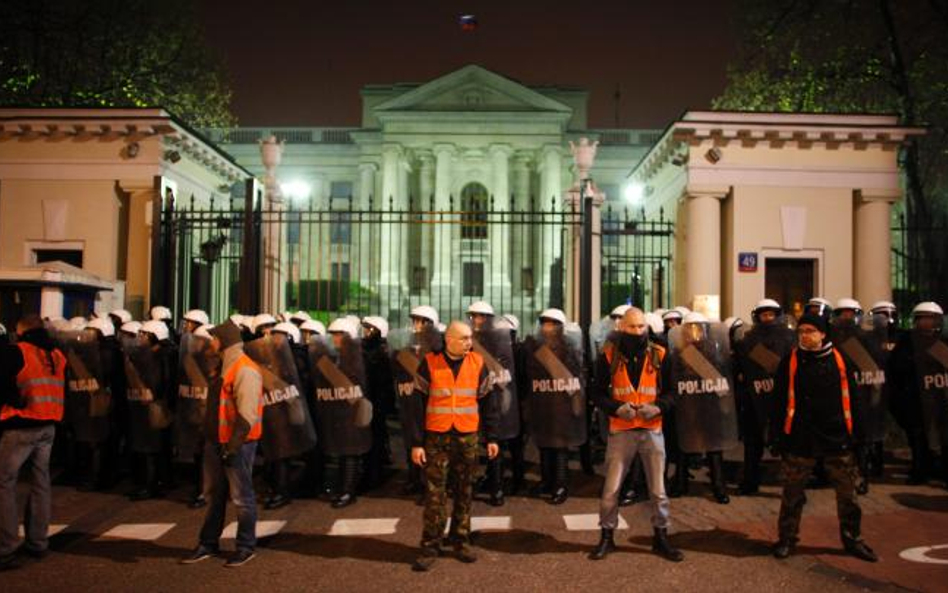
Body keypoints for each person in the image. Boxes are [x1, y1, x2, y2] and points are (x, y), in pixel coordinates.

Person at [771, 313, 877, 562]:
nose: (804, 335)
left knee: (847, 495)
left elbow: (854, 399)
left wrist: (860, 436)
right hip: (801, 438)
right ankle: (787, 539)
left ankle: (852, 539)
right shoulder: (790, 361)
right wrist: (778, 436)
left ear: (823, 334)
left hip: (836, 437)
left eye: (810, 331)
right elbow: (778, 401)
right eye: (801, 331)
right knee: (792, 494)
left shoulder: (841, 361)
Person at [589, 307, 683, 562]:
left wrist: (658, 407)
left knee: (658, 491)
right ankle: (607, 537)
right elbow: (595, 393)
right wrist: (616, 408)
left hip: (652, 430)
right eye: (632, 327)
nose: (638, 331)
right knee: (611, 490)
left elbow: (674, 393)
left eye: (642, 326)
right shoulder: (608, 356)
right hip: (621, 431)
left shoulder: (661, 354)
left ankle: (661, 538)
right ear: (621, 327)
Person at [410, 321, 500, 572]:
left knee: (464, 490)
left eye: (470, 338)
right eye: (463, 338)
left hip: (467, 436)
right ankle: (430, 544)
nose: (469, 342)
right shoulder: (428, 363)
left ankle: (461, 539)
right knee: (434, 494)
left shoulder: (478, 363)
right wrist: (417, 443)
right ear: (449, 339)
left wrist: (492, 438)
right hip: (437, 437)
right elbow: (416, 406)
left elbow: (488, 403)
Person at [181, 320, 263, 568]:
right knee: (214, 496)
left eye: (214, 339)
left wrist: (233, 445)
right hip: (217, 441)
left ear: (225, 342)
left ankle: (245, 546)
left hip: (237, 443)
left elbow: (247, 414)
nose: (211, 342)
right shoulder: (222, 367)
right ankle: (208, 543)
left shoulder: (244, 369)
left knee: (242, 498)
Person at [0, 315, 66, 570]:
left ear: (22, 331)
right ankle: (38, 542)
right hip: (48, 425)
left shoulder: (17, 351)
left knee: (5, 483)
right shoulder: (57, 354)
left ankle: (6, 547)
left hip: (20, 424)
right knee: (41, 482)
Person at [522, 308, 585, 504]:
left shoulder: (569, 348)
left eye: (551, 323)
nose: (547, 327)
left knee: (559, 449)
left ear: (559, 327)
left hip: (562, 407)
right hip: (542, 404)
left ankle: (561, 485)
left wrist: (576, 404)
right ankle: (547, 481)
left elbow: (576, 378)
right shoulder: (535, 348)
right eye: (544, 323)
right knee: (544, 446)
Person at [360, 316, 395, 491]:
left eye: (369, 329)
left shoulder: (379, 351)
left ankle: (374, 475)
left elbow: (381, 380)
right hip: (372, 399)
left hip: (376, 400)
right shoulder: (369, 349)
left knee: (375, 438)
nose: (365, 332)